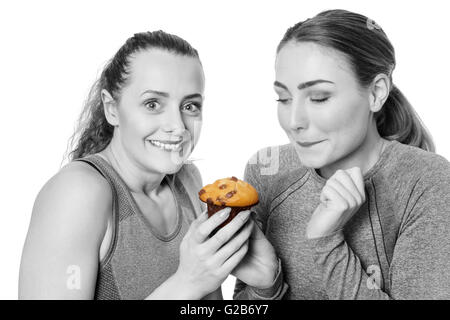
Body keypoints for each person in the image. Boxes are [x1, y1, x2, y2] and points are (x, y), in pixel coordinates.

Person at [19, 30, 274, 300]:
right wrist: (187, 283)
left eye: (190, 106)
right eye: (153, 104)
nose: (177, 127)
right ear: (111, 109)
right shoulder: (77, 193)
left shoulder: (189, 183)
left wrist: (266, 284)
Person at [234, 9, 450, 299]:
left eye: (319, 97)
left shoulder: (427, 182)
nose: (294, 120)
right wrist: (265, 288)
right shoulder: (265, 171)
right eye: (283, 98)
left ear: (376, 93)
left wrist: (326, 242)